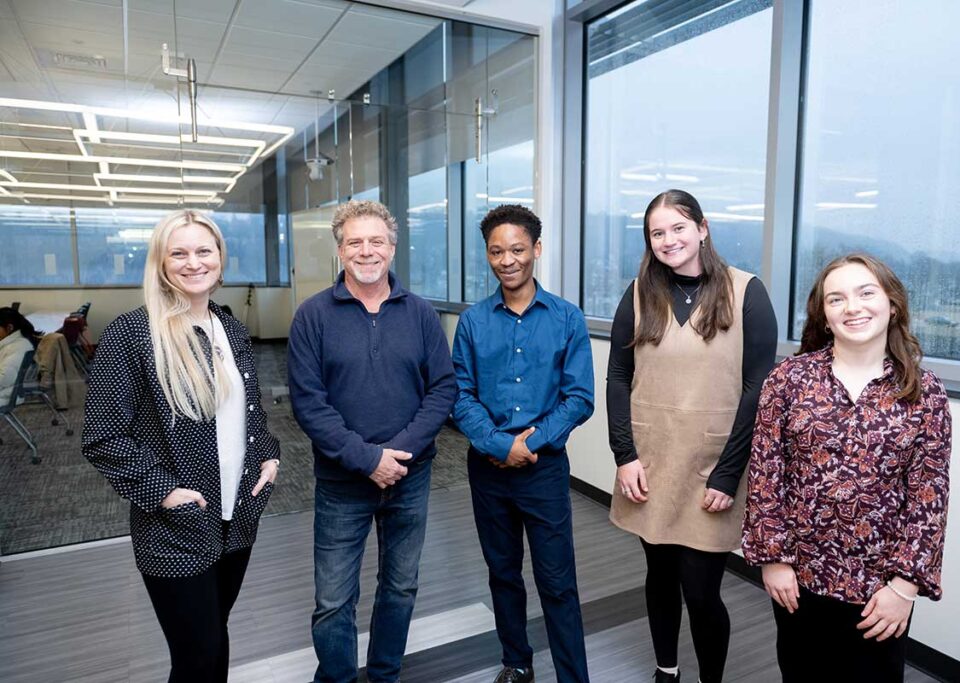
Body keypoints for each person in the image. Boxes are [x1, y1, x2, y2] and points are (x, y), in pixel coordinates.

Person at [82, 209, 281, 683]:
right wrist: (167, 494)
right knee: (196, 656)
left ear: (219, 259)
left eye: (204, 251)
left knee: (216, 639)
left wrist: (268, 454)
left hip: (238, 516)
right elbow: (103, 436)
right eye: (179, 252)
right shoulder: (133, 334)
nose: (194, 263)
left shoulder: (228, 328)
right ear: (161, 262)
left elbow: (248, 412)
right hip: (176, 525)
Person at [742, 253, 952, 683]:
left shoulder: (924, 392)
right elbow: (765, 473)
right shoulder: (789, 380)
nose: (852, 307)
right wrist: (773, 559)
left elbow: (930, 499)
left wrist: (905, 586)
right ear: (823, 314)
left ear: (892, 304)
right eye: (836, 299)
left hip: (880, 589)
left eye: (865, 293)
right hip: (799, 578)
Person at [607, 189, 778, 683]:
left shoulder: (747, 292)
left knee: (701, 590)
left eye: (678, 228)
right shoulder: (639, 292)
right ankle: (667, 671)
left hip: (712, 469)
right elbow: (618, 376)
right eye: (657, 233)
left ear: (703, 228)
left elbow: (758, 388)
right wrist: (625, 454)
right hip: (651, 464)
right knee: (659, 577)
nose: (668, 240)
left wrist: (728, 474)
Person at [288, 199, 456, 683]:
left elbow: (442, 388)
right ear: (340, 250)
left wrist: (397, 454)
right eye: (355, 242)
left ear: (393, 247)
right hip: (343, 482)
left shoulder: (420, 313)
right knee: (333, 600)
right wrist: (368, 460)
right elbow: (309, 403)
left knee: (401, 587)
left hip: (411, 476)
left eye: (376, 241)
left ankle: (384, 675)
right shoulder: (312, 317)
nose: (367, 251)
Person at [453, 204, 595, 683]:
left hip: (544, 472)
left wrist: (530, 442)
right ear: (488, 255)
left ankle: (574, 676)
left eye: (517, 249)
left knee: (557, 583)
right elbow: (460, 395)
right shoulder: (472, 323)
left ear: (536, 249)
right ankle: (517, 662)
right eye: (497, 251)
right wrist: (497, 444)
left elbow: (578, 398)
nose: (507, 260)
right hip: (488, 474)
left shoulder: (567, 319)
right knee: (503, 574)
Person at [0, 307, 40, 405]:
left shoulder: (16, 347)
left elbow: (4, 379)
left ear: (9, 328)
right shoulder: (15, 343)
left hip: (5, 395)